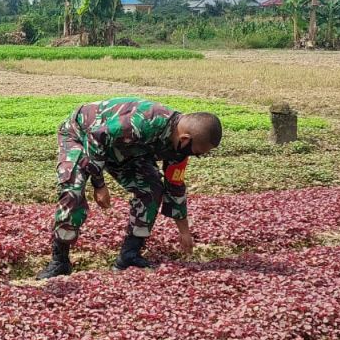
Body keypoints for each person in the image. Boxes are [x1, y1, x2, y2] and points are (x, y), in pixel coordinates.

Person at [35, 97, 222, 279]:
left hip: (124, 149)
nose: (195, 156)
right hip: (82, 134)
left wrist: (184, 231)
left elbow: (175, 186)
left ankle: (129, 256)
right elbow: (96, 137)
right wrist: (99, 184)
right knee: (72, 190)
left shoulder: (181, 148)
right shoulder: (141, 123)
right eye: (197, 152)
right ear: (185, 139)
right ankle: (60, 260)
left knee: (152, 188)